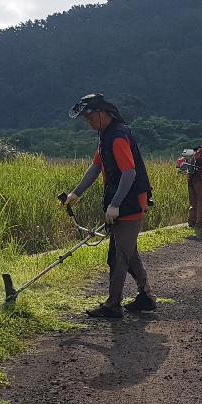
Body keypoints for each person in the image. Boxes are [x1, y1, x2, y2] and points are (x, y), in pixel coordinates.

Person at [63, 93, 155, 318]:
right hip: (121, 200)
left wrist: (114, 205)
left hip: (130, 201)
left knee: (118, 256)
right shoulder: (105, 136)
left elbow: (129, 172)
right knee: (129, 253)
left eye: (89, 116)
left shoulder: (117, 136)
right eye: (85, 118)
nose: (88, 121)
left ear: (103, 113)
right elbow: (95, 168)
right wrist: (76, 193)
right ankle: (146, 297)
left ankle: (113, 305)